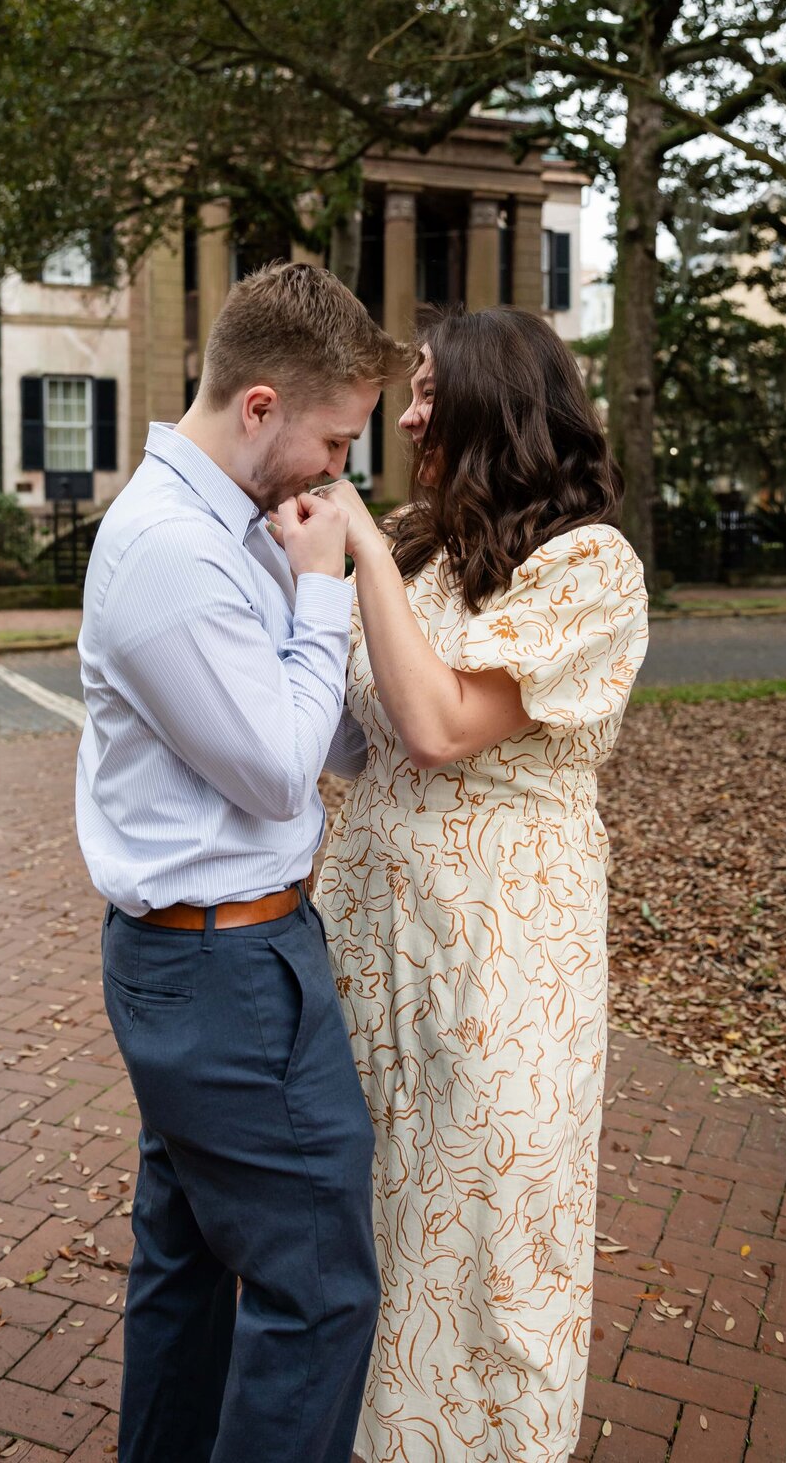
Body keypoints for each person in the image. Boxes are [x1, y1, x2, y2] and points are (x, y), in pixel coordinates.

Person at [75, 261, 410, 1463]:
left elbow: (338, 738)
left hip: (223, 958)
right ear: (260, 406)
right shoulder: (173, 552)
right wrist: (320, 586)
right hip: (222, 976)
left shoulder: (233, 531)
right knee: (320, 1287)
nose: (341, 472)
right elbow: (279, 771)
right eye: (334, 440)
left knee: (189, 1264)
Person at [315, 306, 650, 1463]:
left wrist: (356, 543)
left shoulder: (589, 566)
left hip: (503, 955)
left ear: (492, 404)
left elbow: (441, 726)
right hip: (367, 929)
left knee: (486, 1229)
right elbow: (343, 733)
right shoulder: (419, 547)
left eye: (423, 391)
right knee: (370, 1212)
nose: (405, 416)